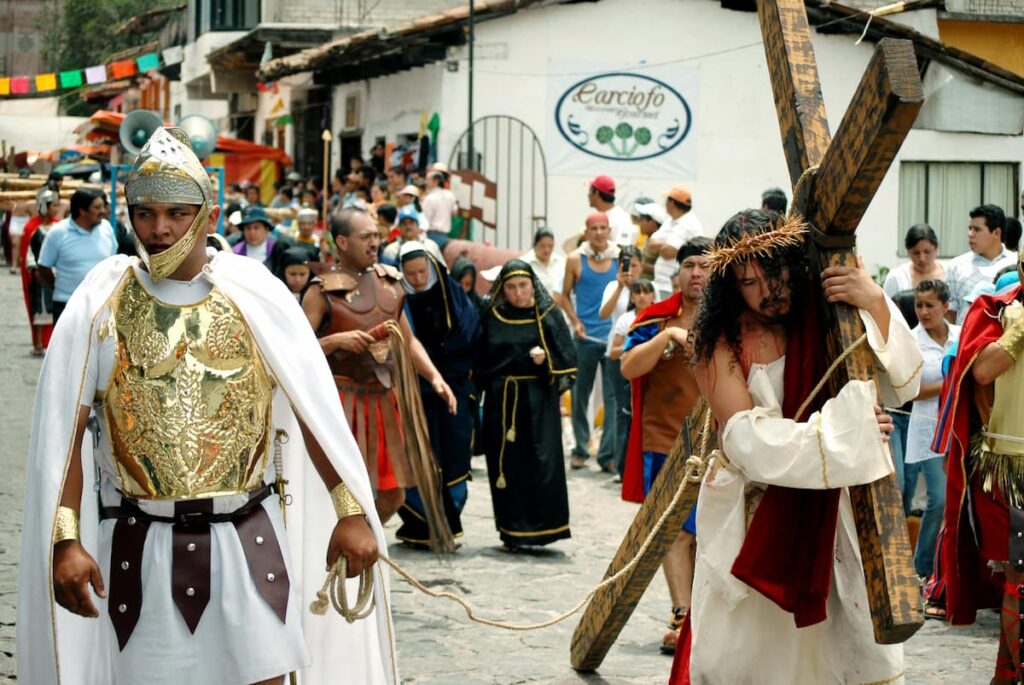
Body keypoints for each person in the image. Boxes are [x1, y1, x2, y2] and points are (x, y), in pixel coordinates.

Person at [17, 126, 398, 685]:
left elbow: (312, 411)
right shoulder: (101, 307)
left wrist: (350, 510)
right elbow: (67, 434)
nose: (160, 228)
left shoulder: (256, 299)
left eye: (176, 212)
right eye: (145, 213)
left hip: (248, 541)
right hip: (140, 548)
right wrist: (66, 539)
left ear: (211, 214)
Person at [676, 209, 921, 684]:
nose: (771, 289)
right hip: (753, 517)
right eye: (750, 281)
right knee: (754, 655)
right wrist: (850, 430)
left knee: (843, 645)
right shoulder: (717, 343)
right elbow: (747, 440)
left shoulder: (827, 317)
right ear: (730, 285)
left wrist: (873, 301)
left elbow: (901, 384)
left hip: (834, 511)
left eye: (779, 271)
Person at [301, 207, 456, 527]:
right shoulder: (320, 290)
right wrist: (335, 341)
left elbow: (409, 341)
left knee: (393, 496)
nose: (374, 242)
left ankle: (363, 549)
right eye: (365, 236)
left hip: (384, 398)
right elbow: (292, 352)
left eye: (376, 235)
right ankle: (331, 555)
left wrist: (434, 376)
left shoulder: (390, 283)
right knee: (335, 494)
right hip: (338, 402)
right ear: (342, 241)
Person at [934, 250, 1024, 683]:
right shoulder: (998, 312)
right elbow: (982, 373)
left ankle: (1005, 676)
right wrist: (1016, 334)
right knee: (1017, 576)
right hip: (1006, 470)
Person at [620, 238, 710, 654]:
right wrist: (667, 337)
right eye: (689, 264)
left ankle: (702, 617)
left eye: (704, 265)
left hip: (719, 443)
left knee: (708, 534)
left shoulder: (732, 318)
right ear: (678, 272)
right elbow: (627, 368)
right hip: (665, 442)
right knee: (674, 532)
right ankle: (681, 612)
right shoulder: (656, 318)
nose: (696, 272)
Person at [476, 260, 576, 549]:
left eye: (523, 285)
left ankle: (545, 528)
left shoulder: (547, 314)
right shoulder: (491, 315)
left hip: (539, 401)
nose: (518, 292)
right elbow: (480, 358)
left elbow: (568, 361)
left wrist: (547, 361)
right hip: (502, 402)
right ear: (502, 289)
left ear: (533, 285)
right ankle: (511, 530)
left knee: (541, 462)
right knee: (507, 465)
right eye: (511, 287)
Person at [395, 242, 481, 546]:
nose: (418, 278)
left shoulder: (452, 294)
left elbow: (470, 334)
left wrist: (444, 369)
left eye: (422, 271)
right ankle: (420, 524)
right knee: (418, 456)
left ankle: (449, 522)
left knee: (454, 455)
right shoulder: (397, 298)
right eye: (411, 273)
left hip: (452, 388)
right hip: (413, 389)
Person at [904, 280, 958, 584]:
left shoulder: (962, 335)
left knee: (959, 501)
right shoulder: (911, 342)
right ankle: (922, 568)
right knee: (938, 499)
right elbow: (909, 392)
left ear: (945, 307)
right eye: (918, 305)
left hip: (961, 430)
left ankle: (950, 569)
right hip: (929, 432)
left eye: (929, 305)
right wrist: (951, 383)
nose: (923, 312)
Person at [561, 212, 620, 472]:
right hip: (585, 338)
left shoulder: (620, 259)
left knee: (613, 398)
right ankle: (580, 449)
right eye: (593, 228)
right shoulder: (575, 259)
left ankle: (607, 455)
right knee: (579, 395)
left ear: (609, 231)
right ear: (586, 232)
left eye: (603, 228)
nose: (598, 233)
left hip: (612, 339)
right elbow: (563, 296)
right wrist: (575, 321)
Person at [36, 188, 117, 324]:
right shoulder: (58, 233)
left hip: (103, 304)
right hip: (66, 304)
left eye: (102, 206)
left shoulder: (107, 228)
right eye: (97, 207)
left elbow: (113, 261)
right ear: (82, 210)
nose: (103, 211)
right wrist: (60, 287)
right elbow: (44, 267)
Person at [599, 245, 643, 477]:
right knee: (619, 407)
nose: (631, 270)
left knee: (637, 407)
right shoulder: (611, 287)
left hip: (639, 353)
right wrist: (619, 286)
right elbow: (603, 314)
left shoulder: (645, 288)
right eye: (626, 265)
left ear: (641, 266)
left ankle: (632, 461)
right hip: (614, 353)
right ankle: (618, 463)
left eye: (634, 265)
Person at [946, 204, 1016, 325]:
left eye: (977, 230)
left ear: (996, 233)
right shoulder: (957, 266)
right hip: (966, 340)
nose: (970, 234)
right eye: (970, 228)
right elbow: (949, 314)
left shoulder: (1016, 263)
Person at [19, 190, 60, 355]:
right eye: (54, 205)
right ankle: (37, 343)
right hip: (38, 276)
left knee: (56, 310)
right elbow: (29, 252)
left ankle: (53, 343)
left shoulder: (59, 227)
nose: (56, 208)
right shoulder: (32, 229)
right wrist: (34, 269)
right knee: (39, 309)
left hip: (56, 274)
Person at [645, 187, 703, 300]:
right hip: (661, 283)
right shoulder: (671, 220)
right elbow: (651, 245)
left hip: (673, 286)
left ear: (671, 202)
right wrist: (667, 243)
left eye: (666, 200)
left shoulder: (689, 223)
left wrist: (664, 245)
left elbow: (668, 252)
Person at [884, 223, 945, 299]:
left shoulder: (950, 273)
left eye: (927, 252)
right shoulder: (897, 277)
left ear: (936, 248)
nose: (922, 258)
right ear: (908, 252)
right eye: (916, 253)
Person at [232, 206, 287, 273]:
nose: (252, 232)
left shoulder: (277, 250)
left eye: (256, 228)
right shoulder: (235, 253)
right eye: (248, 228)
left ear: (266, 229)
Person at [522, 227, 566, 304]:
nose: (547, 250)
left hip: (557, 309)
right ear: (534, 245)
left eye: (550, 246)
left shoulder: (561, 262)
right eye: (542, 246)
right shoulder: (524, 263)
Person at [587, 175, 635, 247]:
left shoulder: (619, 218)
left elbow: (622, 250)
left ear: (596, 193)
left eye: (590, 191)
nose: (588, 195)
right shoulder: (603, 216)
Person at [421, 171, 457, 244]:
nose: (426, 183)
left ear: (436, 181)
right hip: (445, 236)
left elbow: (425, 220)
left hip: (431, 236)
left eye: (428, 180)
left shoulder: (430, 198)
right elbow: (455, 213)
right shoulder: (450, 195)